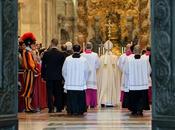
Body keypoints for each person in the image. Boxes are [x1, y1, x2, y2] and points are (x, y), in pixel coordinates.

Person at [62, 44, 90, 115]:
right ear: (80, 50)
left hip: (70, 84)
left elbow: (64, 71)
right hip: (80, 83)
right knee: (80, 98)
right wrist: (84, 80)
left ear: (73, 50)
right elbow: (87, 71)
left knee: (71, 98)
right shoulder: (84, 60)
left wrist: (67, 79)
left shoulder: (68, 59)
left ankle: (71, 110)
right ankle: (80, 110)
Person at [124, 45, 151, 116]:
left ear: (133, 51)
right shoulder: (145, 59)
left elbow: (126, 71)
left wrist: (130, 77)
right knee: (142, 97)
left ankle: (134, 110)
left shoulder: (128, 59)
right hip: (143, 83)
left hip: (133, 83)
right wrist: (144, 77)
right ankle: (140, 110)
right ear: (140, 51)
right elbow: (149, 70)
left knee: (133, 97)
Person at [41, 38, 65, 113]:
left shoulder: (46, 53)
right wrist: (63, 77)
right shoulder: (61, 54)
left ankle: (50, 108)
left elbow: (43, 66)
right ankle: (58, 107)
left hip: (49, 76)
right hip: (58, 76)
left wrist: (43, 75)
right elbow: (63, 67)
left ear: (51, 43)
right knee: (58, 92)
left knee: (49, 92)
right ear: (57, 44)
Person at [97, 40, 121, 107]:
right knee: (111, 84)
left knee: (104, 85)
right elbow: (118, 69)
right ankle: (111, 101)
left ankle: (103, 101)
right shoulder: (115, 57)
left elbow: (98, 69)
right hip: (112, 76)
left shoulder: (101, 57)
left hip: (104, 76)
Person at [20, 32, 39, 113]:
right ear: (29, 43)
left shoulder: (28, 52)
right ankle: (27, 107)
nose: (34, 45)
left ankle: (29, 106)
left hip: (30, 72)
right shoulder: (27, 52)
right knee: (28, 90)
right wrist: (35, 69)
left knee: (30, 90)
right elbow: (30, 64)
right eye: (33, 44)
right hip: (29, 72)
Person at [81, 42, 100, 109]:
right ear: (91, 47)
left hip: (84, 76)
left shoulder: (82, 55)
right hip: (92, 75)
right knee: (92, 89)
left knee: (86, 90)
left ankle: (86, 103)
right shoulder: (95, 55)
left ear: (85, 47)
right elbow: (98, 65)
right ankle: (92, 104)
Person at [117, 43, 133, 108]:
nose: (128, 49)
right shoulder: (122, 56)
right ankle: (124, 102)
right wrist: (123, 70)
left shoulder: (133, 56)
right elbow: (119, 64)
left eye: (129, 48)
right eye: (127, 48)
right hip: (125, 75)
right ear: (126, 48)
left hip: (132, 75)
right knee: (125, 88)